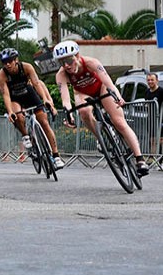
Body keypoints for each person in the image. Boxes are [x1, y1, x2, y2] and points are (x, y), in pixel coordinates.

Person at [53, 40, 149, 176]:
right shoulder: (61, 75)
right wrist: (69, 114)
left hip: (101, 88)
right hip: (82, 93)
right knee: (83, 111)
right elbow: (65, 99)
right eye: (62, 62)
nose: (67, 65)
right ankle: (100, 137)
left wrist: (117, 96)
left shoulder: (91, 63)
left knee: (120, 123)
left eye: (69, 60)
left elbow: (108, 82)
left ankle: (140, 159)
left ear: (78, 55)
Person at [0, 48, 64, 170]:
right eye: (4, 62)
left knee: (44, 122)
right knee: (18, 115)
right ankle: (25, 135)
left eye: (10, 61)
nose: (7, 64)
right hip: (15, 98)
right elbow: (5, 94)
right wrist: (10, 111)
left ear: (16, 60)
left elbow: (37, 84)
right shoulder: (1, 75)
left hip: (29, 94)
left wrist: (45, 99)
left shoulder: (27, 67)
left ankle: (56, 155)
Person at [145, 73, 163, 153]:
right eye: (148, 80)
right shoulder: (147, 92)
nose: (150, 82)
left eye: (152, 80)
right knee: (152, 140)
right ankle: (153, 160)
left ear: (157, 81)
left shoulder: (161, 91)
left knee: (161, 140)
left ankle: (161, 161)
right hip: (151, 119)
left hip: (161, 120)